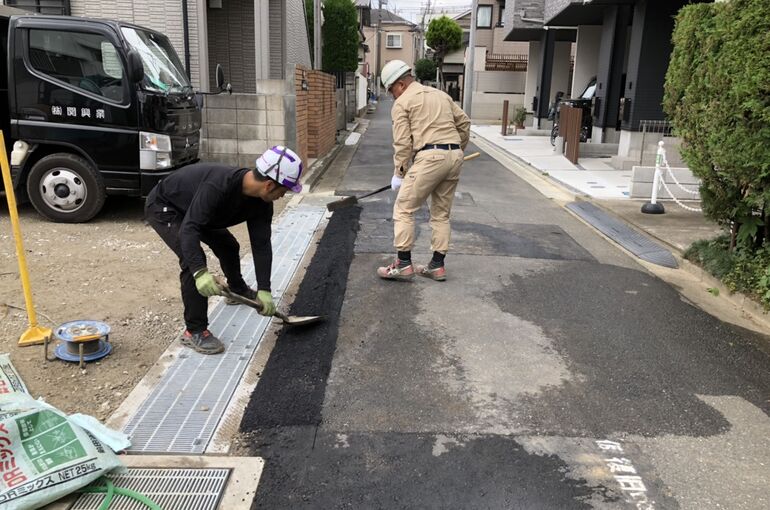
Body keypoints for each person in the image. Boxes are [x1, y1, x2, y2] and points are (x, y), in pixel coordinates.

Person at [145, 146, 304, 354]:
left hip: (199, 212)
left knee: (228, 245)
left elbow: (261, 244)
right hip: (167, 207)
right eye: (284, 190)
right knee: (192, 259)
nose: (283, 196)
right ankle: (195, 331)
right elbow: (189, 229)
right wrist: (200, 272)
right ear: (269, 185)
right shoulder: (219, 186)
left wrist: (265, 288)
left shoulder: (261, 203)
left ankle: (236, 288)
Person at [376, 59, 471, 282]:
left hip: (429, 157)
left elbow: (402, 144)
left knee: (404, 208)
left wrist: (399, 174)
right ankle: (437, 266)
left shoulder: (402, 103)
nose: (392, 95)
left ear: (400, 84)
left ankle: (403, 263)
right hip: (454, 156)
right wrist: (457, 150)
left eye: (391, 90)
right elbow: (464, 122)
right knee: (441, 213)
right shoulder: (440, 95)